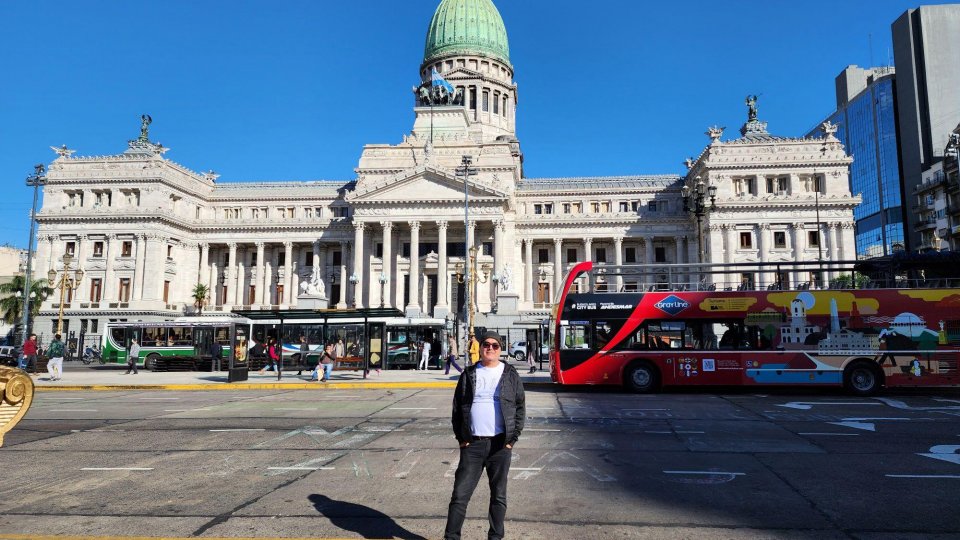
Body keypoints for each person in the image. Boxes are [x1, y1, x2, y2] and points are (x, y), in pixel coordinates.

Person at [444, 330, 525, 540]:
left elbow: (519, 406)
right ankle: (451, 537)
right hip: (473, 444)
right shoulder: (469, 373)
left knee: (498, 497)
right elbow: (456, 407)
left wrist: (512, 440)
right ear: (480, 349)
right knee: (460, 496)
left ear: (500, 349)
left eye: (495, 345)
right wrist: (462, 439)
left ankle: (495, 537)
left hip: (500, 445)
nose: (490, 348)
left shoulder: (510, 373)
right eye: (486, 345)